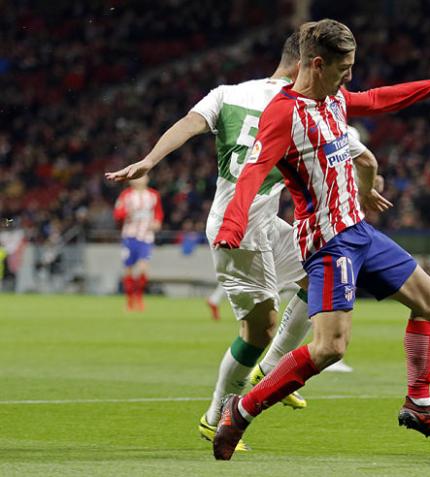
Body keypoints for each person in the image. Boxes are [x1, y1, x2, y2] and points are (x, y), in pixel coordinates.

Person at [105, 32, 388, 451]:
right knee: (259, 329)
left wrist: (150, 160)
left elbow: (188, 124)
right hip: (238, 232)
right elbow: (363, 157)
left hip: (257, 223)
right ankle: (216, 414)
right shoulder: (304, 104)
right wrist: (367, 186)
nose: (336, 81)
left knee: (319, 274)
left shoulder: (227, 94)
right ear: (307, 65)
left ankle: (272, 374)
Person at [212, 19, 430, 460]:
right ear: (316, 63)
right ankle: (241, 409)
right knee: (330, 347)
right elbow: (253, 172)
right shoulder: (282, 113)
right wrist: (233, 225)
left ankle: (418, 403)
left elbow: (375, 99)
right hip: (328, 243)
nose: (350, 75)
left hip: (360, 232)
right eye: (343, 67)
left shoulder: (332, 98)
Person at [113, 175, 163, 311]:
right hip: (130, 236)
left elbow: (158, 213)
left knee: (143, 269)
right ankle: (129, 300)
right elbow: (117, 213)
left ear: (147, 179)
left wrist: (157, 223)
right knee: (128, 269)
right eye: (137, 177)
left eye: (142, 176)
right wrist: (126, 213)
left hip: (146, 237)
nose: (139, 179)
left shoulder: (153, 195)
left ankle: (139, 298)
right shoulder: (126, 195)